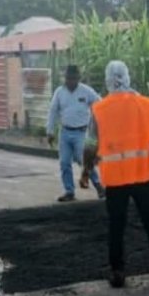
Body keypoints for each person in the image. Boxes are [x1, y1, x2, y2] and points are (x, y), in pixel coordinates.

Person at [84, 61, 149, 289]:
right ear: (128, 76)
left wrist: (86, 171)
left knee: (116, 227)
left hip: (115, 181)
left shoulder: (100, 109)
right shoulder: (146, 105)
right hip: (144, 177)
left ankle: (118, 273)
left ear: (107, 79)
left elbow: (90, 145)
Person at [46, 65, 104, 202]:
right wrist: (50, 131)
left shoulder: (86, 91)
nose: (69, 81)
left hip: (81, 133)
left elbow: (100, 105)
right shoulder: (59, 92)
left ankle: (99, 186)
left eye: (72, 78)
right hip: (65, 132)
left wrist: (98, 126)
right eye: (67, 78)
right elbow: (53, 112)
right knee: (64, 162)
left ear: (78, 78)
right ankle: (69, 191)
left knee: (84, 161)